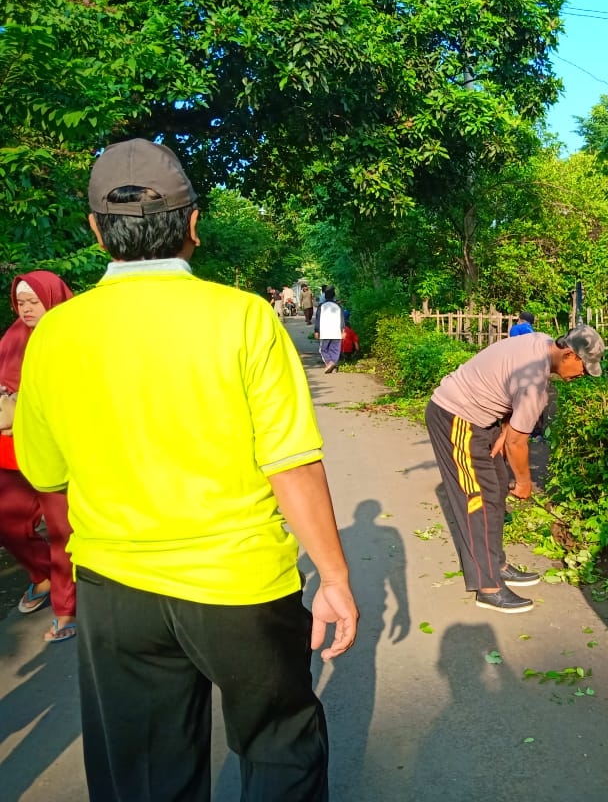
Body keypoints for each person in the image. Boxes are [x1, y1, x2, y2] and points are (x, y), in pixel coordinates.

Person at [15, 138, 358, 801]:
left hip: (117, 592)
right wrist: (335, 578)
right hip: (242, 586)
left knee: (146, 774)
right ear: (193, 222)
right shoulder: (244, 319)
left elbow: (44, 469)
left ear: (95, 230)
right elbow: (292, 464)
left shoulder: (55, 335)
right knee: (280, 746)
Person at [425, 325, 605, 613]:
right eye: (584, 366)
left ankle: (497, 564)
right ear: (569, 354)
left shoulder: (541, 345)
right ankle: (488, 587)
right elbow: (518, 444)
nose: (584, 373)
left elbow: (509, 394)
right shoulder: (534, 383)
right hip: (455, 416)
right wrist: (524, 482)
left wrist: (505, 428)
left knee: (494, 489)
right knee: (477, 501)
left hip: (482, 419)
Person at [0, 271, 76, 642]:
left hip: (59, 449)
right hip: (12, 450)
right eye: (21, 302)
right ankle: (44, 577)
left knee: (61, 529)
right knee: (8, 523)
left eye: (34, 301)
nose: (27, 309)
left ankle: (66, 609)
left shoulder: (73, 335)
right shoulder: (14, 337)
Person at [314, 286, 344, 373]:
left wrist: (316, 331)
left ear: (325, 296)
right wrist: (343, 330)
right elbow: (342, 319)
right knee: (335, 349)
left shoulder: (321, 306)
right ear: (334, 296)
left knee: (323, 349)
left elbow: (318, 319)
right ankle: (333, 365)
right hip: (336, 331)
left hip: (325, 331)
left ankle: (329, 363)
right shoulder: (338, 306)